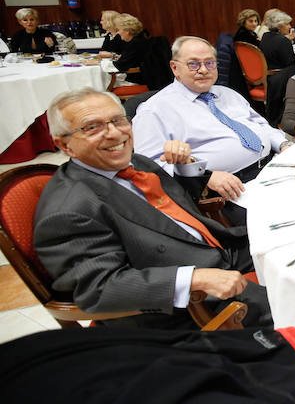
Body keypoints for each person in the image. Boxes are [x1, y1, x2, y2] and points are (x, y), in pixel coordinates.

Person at [34, 87, 271, 329]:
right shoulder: (69, 210)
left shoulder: (135, 162)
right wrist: (191, 279)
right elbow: (98, 289)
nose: (114, 133)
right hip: (188, 301)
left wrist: (186, 167)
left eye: (117, 120)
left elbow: (176, 209)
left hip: (217, 248)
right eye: (92, 127)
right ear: (65, 146)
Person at [133, 36, 289, 184]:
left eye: (210, 63)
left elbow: (260, 124)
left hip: (272, 166)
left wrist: (283, 144)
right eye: (193, 64)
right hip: (225, 188)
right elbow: (149, 168)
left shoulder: (227, 93)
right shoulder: (154, 110)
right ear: (175, 68)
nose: (203, 70)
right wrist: (203, 178)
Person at [112, 14, 150, 81]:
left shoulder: (135, 44)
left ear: (127, 31)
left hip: (140, 80)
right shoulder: (139, 39)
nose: (118, 33)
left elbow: (120, 65)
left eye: (118, 30)